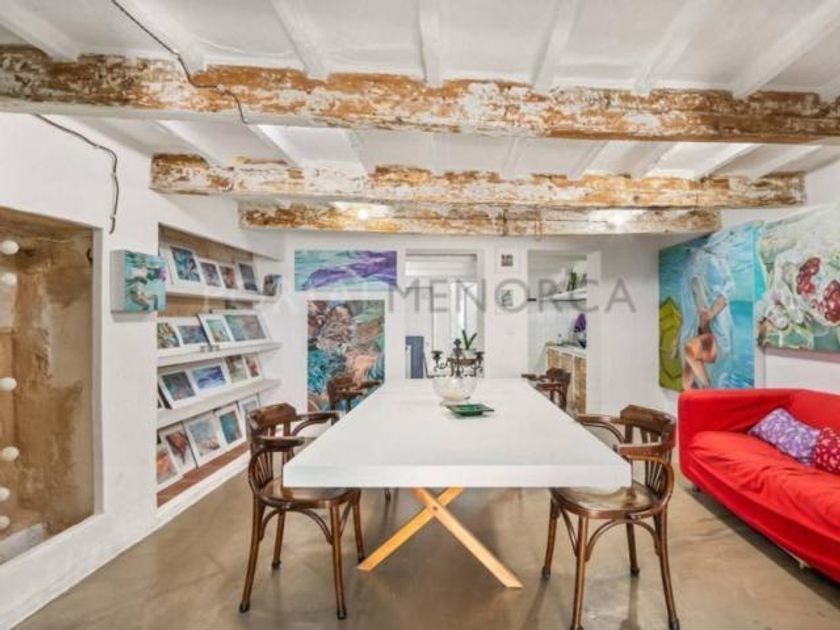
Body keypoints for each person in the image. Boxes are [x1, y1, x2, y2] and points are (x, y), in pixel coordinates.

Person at [680, 246, 735, 390]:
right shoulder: (696, 270)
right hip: (705, 326)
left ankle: (708, 388)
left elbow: (728, 289)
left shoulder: (715, 262)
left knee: (690, 351)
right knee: (687, 380)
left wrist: (710, 314)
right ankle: (705, 390)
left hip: (717, 329)